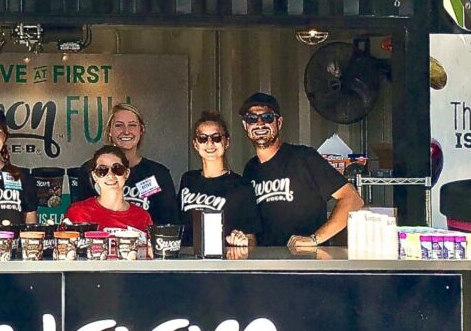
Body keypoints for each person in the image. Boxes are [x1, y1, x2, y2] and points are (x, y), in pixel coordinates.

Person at [240, 92, 364, 250]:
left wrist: (315, 239)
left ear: (279, 122)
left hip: (306, 265)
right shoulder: (251, 169)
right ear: (245, 125)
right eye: (252, 119)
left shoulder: (304, 158)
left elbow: (353, 200)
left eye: (267, 117)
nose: (259, 123)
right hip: (267, 266)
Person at [70, 102, 179, 223]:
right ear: (109, 131)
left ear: (141, 130)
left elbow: (170, 224)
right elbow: (81, 219)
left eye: (132, 125)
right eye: (119, 125)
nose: (126, 131)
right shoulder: (91, 170)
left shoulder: (158, 174)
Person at [178, 110, 262, 247]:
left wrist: (242, 241)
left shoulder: (241, 186)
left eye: (216, 138)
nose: (210, 143)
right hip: (189, 263)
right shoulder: (188, 180)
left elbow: (251, 239)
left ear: (226, 142)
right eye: (203, 138)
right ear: (195, 144)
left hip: (223, 264)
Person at [64, 145, 152, 232]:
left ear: (126, 173)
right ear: (94, 176)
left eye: (117, 169)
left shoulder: (142, 217)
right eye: (102, 170)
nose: (110, 175)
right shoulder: (77, 212)